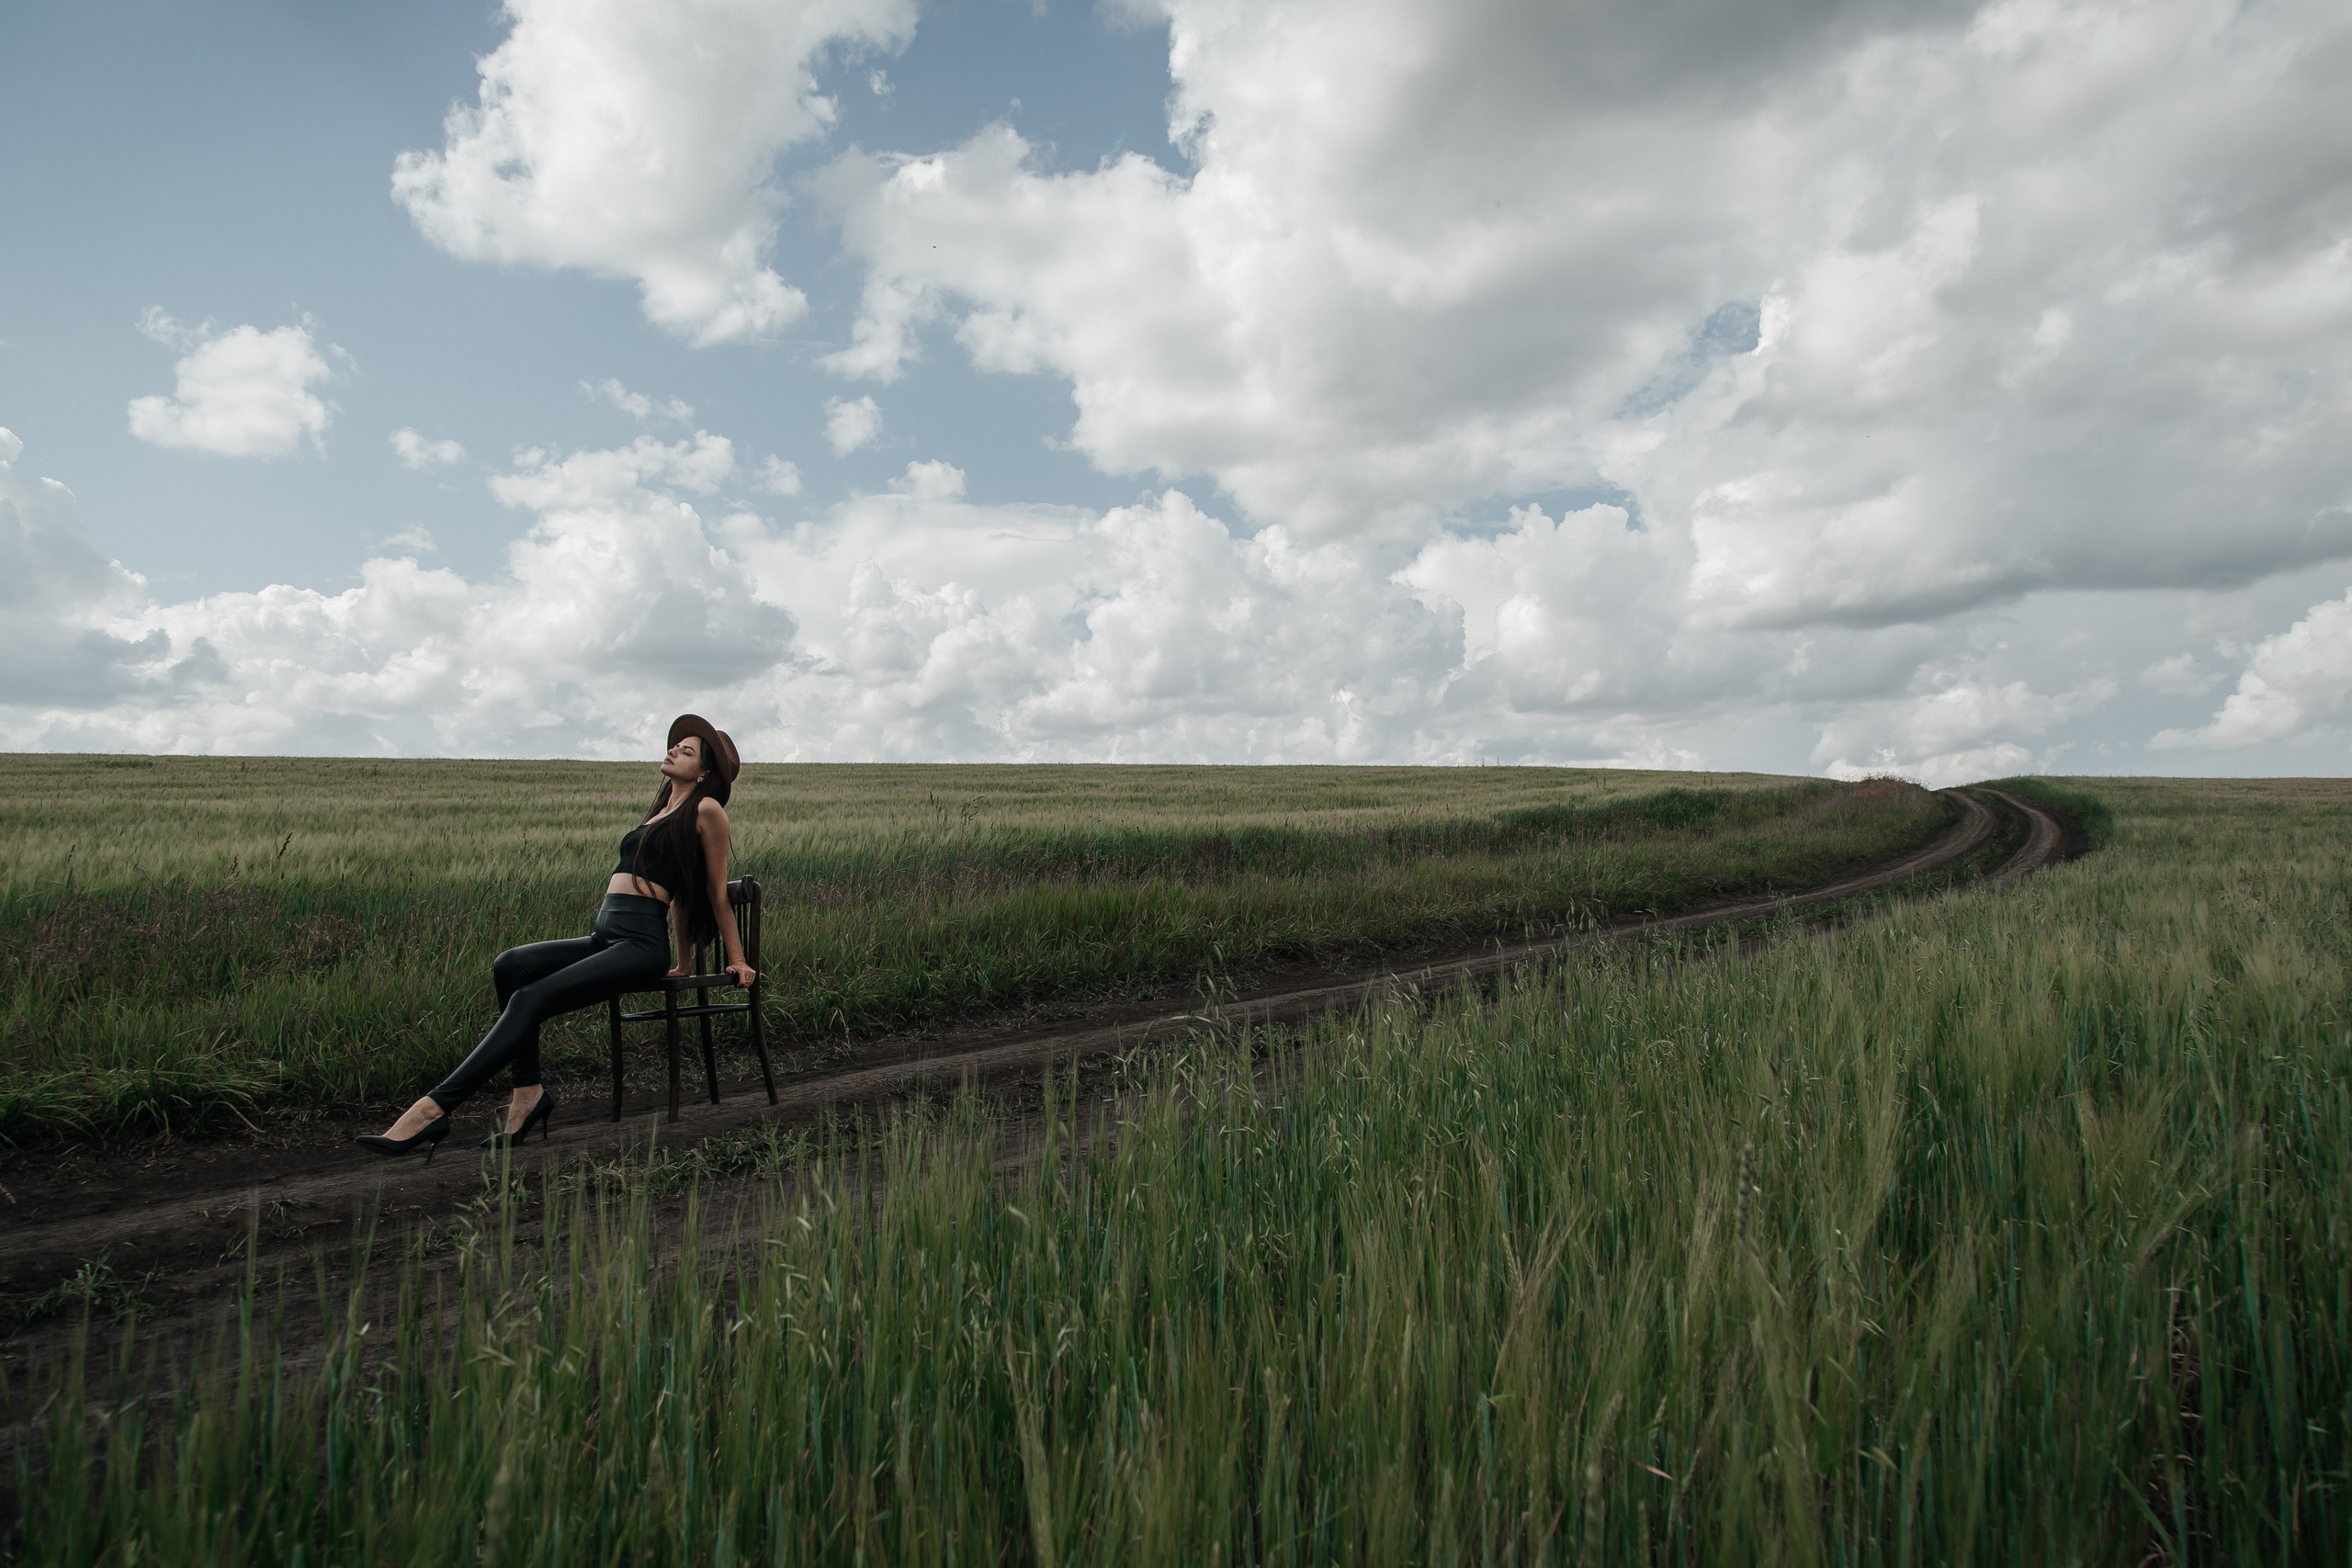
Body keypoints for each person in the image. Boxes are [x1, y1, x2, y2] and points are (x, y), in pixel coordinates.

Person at [356, 715, 757, 1162]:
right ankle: (528, 1095)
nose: (672, 751)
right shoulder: (661, 811)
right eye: (675, 746)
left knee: (530, 999)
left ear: (704, 773)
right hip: (606, 936)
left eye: (686, 751)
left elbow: (708, 893)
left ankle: (433, 1109)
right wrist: (682, 963)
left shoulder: (707, 811)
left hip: (639, 945)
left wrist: (735, 959)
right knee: (510, 964)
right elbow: (683, 886)